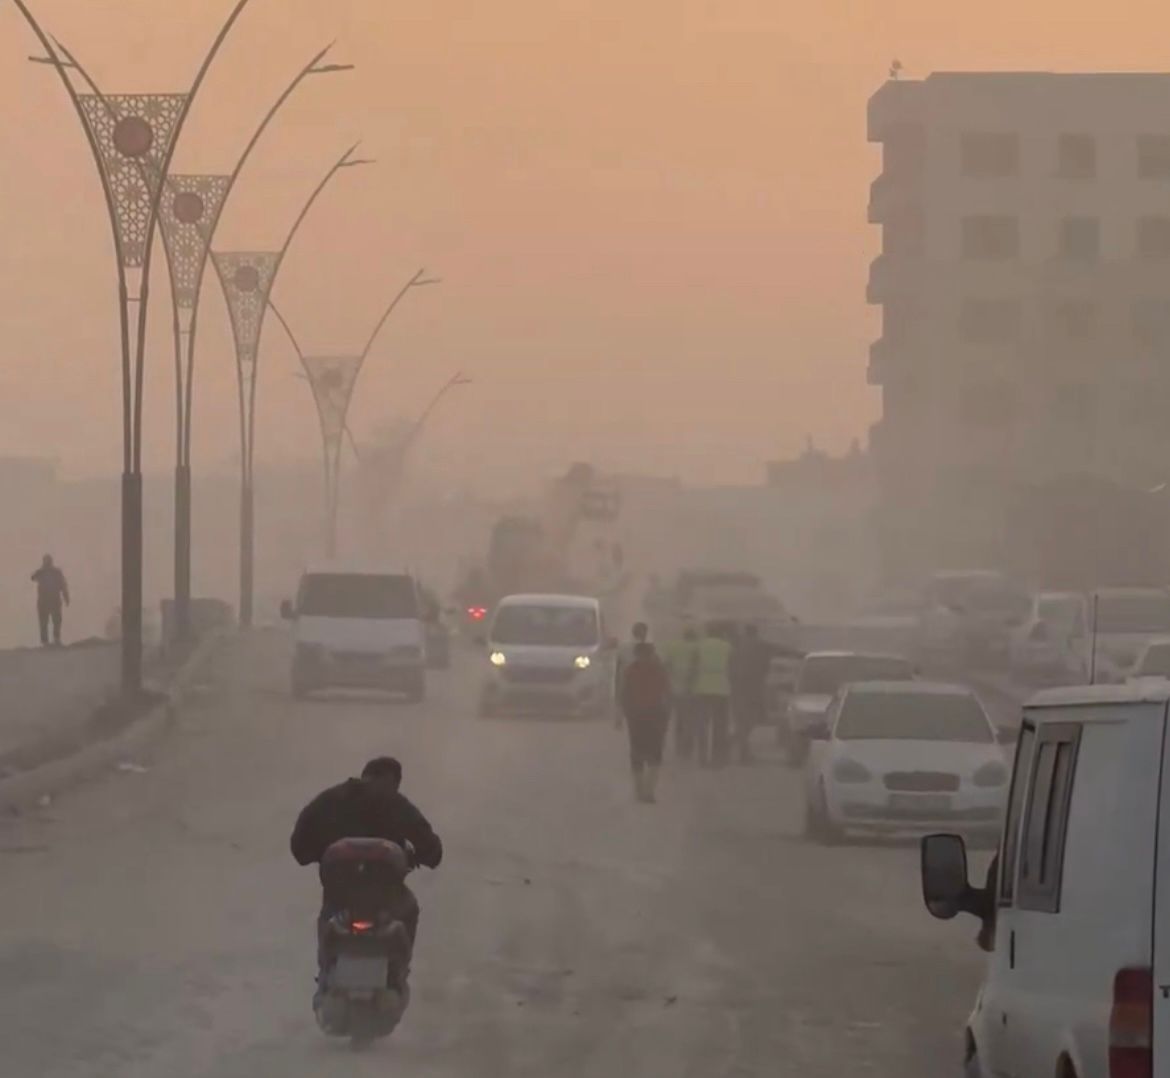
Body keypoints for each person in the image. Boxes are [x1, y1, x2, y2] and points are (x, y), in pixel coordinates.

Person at [290, 757, 443, 991]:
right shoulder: (395, 802)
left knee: (327, 916)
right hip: (387, 899)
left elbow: (299, 847)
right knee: (410, 907)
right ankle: (398, 974)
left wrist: (318, 852)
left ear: (365, 774)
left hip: (339, 895)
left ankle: (325, 971)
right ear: (394, 780)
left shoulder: (329, 799)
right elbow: (433, 850)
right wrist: (420, 856)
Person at [619, 641, 672, 803]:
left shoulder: (630, 670)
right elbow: (667, 692)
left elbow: (623, 694)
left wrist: (622, 713)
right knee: (654, 753)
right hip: (654, 715)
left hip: (637, 716)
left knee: (638, 753)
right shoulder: (659, 670)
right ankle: (648, 791)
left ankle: (640, 791)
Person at [729, 623, 771, 764]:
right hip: (754, 688)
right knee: (753, 719)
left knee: (742, 719)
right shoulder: (761, 645)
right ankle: (741, 748)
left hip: (737, 688)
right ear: (756, 632)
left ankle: (740, 745)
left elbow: (729, 666)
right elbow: (783, 651)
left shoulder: (735, 647)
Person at [693, 622, 733, 767]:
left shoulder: (700, 645)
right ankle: (719, 757)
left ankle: (702, 757)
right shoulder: (727, 646)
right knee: (720, 725)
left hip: (702, 687)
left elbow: (694, 665)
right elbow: (731, 666)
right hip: (722, 688)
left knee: (702, 724)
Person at [661, 625, 700, 760]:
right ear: (694, 637)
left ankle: (679, 746)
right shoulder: (696, 648)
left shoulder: (673, 647)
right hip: (691, 689)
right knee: (690, 719)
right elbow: (696, 667)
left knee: (679, 718)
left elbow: (665, 666)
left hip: (674, 689)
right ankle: (687, 747)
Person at [613, 621, 650, 727]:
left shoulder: (623, 646)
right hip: (641, 679)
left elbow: (618, 664)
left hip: (626, 678)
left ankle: (619, 719)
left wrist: (617, 680)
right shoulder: (648, 647)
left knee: (622, 698)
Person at [30, 554, 69, 647]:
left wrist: (66, 596)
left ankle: (55, 640)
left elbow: (63, 584)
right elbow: (32, 578)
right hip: (46, 601)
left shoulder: (55, 572)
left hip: (51, 600)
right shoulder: (42, 572)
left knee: (55, 620)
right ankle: (47, 641)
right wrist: (66, 597)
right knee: (45, 621)